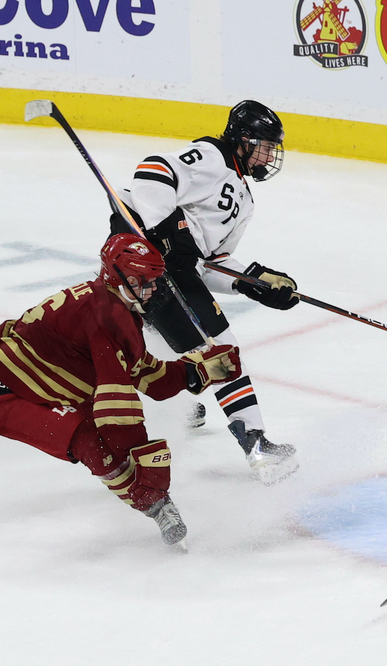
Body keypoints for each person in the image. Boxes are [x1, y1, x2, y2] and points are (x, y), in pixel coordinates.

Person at [0, 234, 242, 548]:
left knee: (109, 436)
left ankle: (152, 498)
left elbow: (143, 373)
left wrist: (196, 371)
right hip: (8, 392)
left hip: (48, 378)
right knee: (92, 441)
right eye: (147, 281)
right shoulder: (109, 318)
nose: (154, 288)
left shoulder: (115, 307)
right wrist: (145, 465)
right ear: (127, 279)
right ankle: (156, 507)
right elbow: (116, 410)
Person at [110, 100, 298, 485]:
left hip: (172, 272)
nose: (268, 155)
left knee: (147, 345)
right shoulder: (214, 156)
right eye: (262, 145)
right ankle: (256, 443)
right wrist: (163, 226)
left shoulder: (244, 202)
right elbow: (152, 170)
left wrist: (254, 282)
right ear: (242, 141)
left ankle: (175, 408)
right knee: (219, 349)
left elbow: (206, 265)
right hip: (143, 259)